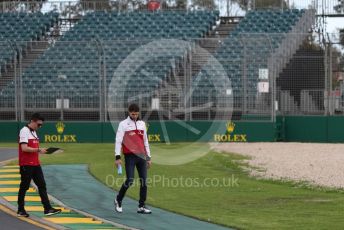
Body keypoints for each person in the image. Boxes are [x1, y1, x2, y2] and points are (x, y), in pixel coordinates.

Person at [17, 113, 61, 217]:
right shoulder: (24, 131)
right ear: (32, 121)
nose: (40, 127)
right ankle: (20, 210)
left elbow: (34, 149)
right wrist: (38, 149)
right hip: (26, 164)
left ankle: (47, 209)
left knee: (42, 185)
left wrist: (41, 151)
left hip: (36, 164)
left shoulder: (34, 132)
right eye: (38, 124)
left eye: (41, 125)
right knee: (24, 186)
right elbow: (24, 148)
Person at [114, 104, 152, 214]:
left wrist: (148, 157)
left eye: (136, 114)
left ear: (139, 113)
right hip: (129, 156)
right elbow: (118, 141)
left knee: (144, 181)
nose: (134, 116)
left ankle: (141, 206)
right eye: (132, 114)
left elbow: (145, 141)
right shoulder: (123, 124)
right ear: (128, 112)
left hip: (142, 156)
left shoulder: (142, 124)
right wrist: (117, 157)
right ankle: (118, 199)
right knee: (130, 180)